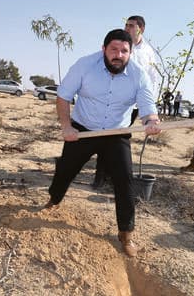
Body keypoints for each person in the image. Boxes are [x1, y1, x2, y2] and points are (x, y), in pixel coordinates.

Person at [44, 29, 161, 257]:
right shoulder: (84, 65)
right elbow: (64, 96)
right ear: (104, 49)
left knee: (124, 182)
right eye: (114, 49)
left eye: (124, 51)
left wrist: (152, 121)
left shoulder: (139, 74)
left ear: (130, 52)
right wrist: (66, 127)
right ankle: (54, 200)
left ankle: (125, 234)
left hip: (117, 133)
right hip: (83, 129)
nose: (118, 55)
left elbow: (148, 107)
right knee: (65, 171)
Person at [91, 15, 159, 188]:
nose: (127, 28)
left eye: (131, 25)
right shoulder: (119, 46)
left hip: (133, 102)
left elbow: (151, 79)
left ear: (140, 29)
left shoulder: (148, 53)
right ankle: (100, 177)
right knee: (105, 133)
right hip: (112, 98)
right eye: (126, 25)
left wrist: (150, 106)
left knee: (118, 138)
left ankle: (114, 176)